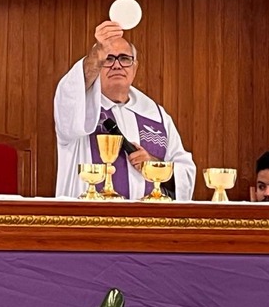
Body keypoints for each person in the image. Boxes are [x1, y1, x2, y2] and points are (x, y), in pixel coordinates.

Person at [53, 21, 196, 200]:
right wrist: (97, 53)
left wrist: (154, 165)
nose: (117, 65)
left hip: (148, 217)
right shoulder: (78, 107)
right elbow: (69, 92)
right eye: (108, 59)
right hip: (89, 216)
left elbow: (186, 173)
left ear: (134, 68)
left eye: (125, 59)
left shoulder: (155, 115)